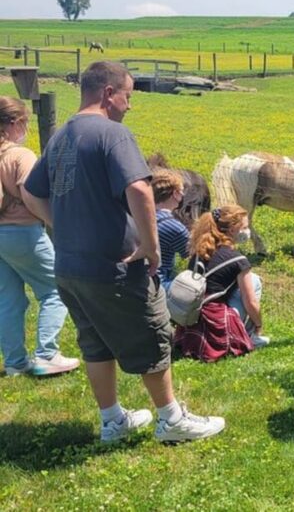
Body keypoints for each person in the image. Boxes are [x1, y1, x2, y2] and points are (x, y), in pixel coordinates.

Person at [23, 61, 225, 443]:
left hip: (70, 265)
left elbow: (31, 192)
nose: (130, 105)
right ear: (108, 93)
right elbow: (140, 189)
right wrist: (150, 247)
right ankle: (171, 419)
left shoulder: (61, 136)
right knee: (152, 334)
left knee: (94, 342)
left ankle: (112, 420)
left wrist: (60, 226)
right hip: (114, 265)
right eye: (128, 95)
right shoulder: (112, 134)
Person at [0, 96, 79, 377]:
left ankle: (14, 362)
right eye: (24, 123)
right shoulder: (20, 156)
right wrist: (57, 224)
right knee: (55, 289)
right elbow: (31, 195)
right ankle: (46, 354)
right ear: (14, 124)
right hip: (23, 233)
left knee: (9, 299)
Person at [174, 205, 269, 361]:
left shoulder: (200, 251)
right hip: (214, 319)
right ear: (232, 230)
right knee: (254, 281)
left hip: (192, 315)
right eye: (244, 227)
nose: (247, 231)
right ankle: (251, 334)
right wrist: (259, 324)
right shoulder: (237, 259)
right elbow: (250, 301)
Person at [151, 169, 189, 290]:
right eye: (181, 191)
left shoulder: (140, 215)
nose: (183, 195)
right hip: (159, 283)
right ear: (175, 194)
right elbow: (192, 253)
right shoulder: (174, 227)